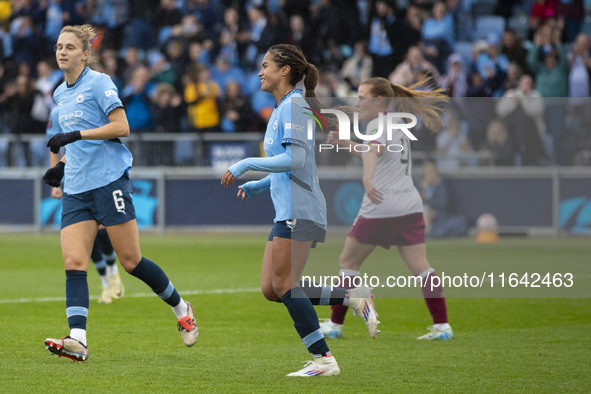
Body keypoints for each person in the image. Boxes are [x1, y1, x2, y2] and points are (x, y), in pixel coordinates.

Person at [42, 25, 198, 363]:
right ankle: (78, 340)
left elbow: (121, 126)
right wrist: (60, 170)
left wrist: (74, 136)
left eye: (70, 47)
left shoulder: (99, 82)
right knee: (74, 262)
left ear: (85, 53)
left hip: (109, 181)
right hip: (77, 188)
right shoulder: (59, 95)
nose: (62, 52)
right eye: (58, 46)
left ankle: (181, 307)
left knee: (131, 262)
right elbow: (69, 143)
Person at [220, 44, 378, 377]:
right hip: (288, 208)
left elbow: (297, 160)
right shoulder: (282, 108)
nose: (260, 72)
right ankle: (349, 296)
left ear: (285, 71)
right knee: (271, 288)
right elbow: (289, 167)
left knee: (286, 285)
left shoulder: (294, 107)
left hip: (300, 209)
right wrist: (259, 184)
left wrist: (247, 163)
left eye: (265, 65)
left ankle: (324, 359)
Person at [320, 77, 453, 341]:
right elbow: (376, 152)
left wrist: (367, 179)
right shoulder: (396, 121)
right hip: (410, 205)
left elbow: (373, 153)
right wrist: (347, 145)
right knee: (422, 267)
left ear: (378, 100)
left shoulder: (376, 124)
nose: (358, 103)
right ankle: (442, 327)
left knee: (348, 263)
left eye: (362, 97)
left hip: (382, 205)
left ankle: (335, 325)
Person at [46, 106, 125, 304]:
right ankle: (106, 283)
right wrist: (55, 178)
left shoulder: (95, 103)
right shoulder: (58, 110)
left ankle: (114, 272)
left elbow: (114, 132)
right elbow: (54, 144)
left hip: (101, 175)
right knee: (83, 241)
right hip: (75, 179)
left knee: (102, 231)